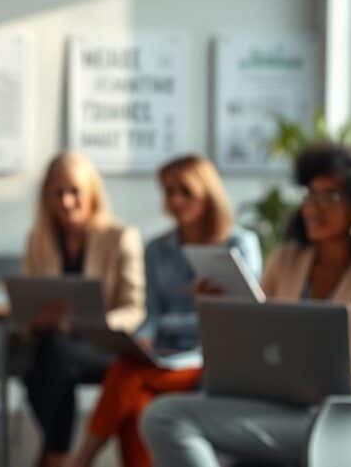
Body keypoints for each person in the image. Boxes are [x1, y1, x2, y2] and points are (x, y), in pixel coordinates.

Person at [142, 144, 351, 467]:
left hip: (341, 421)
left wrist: (292, 374)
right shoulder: (288, 259)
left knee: (166, 417)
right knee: (174, 414)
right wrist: (222, 312)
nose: (312, 207)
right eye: (310, 195)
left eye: (330, 197)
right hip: (278, 405)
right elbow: (262, 339)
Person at [66, 155, 262, 467]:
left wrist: (198, 311)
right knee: (138, 401)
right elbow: (150, 314)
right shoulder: (158, 249)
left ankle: (80, 460)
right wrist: (142, 338)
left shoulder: (240, 243)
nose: (175, 200)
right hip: (163, 355)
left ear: (207, 193)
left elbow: (249, 317)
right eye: (169, 192)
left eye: (185, 191)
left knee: (126, 376)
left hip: (210, 356)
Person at [21, 151, 145, 467]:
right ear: (46, 197)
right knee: (46, 354)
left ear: (91, 193)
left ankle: (54, 454)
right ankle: (59, 454)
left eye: (74, 191)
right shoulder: (38, 240)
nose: (66, 201)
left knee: (48, 360)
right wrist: (37, 320)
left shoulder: (120, 238)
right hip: (56, 345)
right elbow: (25, 307)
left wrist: (88, 323)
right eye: (57, 193)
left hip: (104, 346)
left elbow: (134, 309)